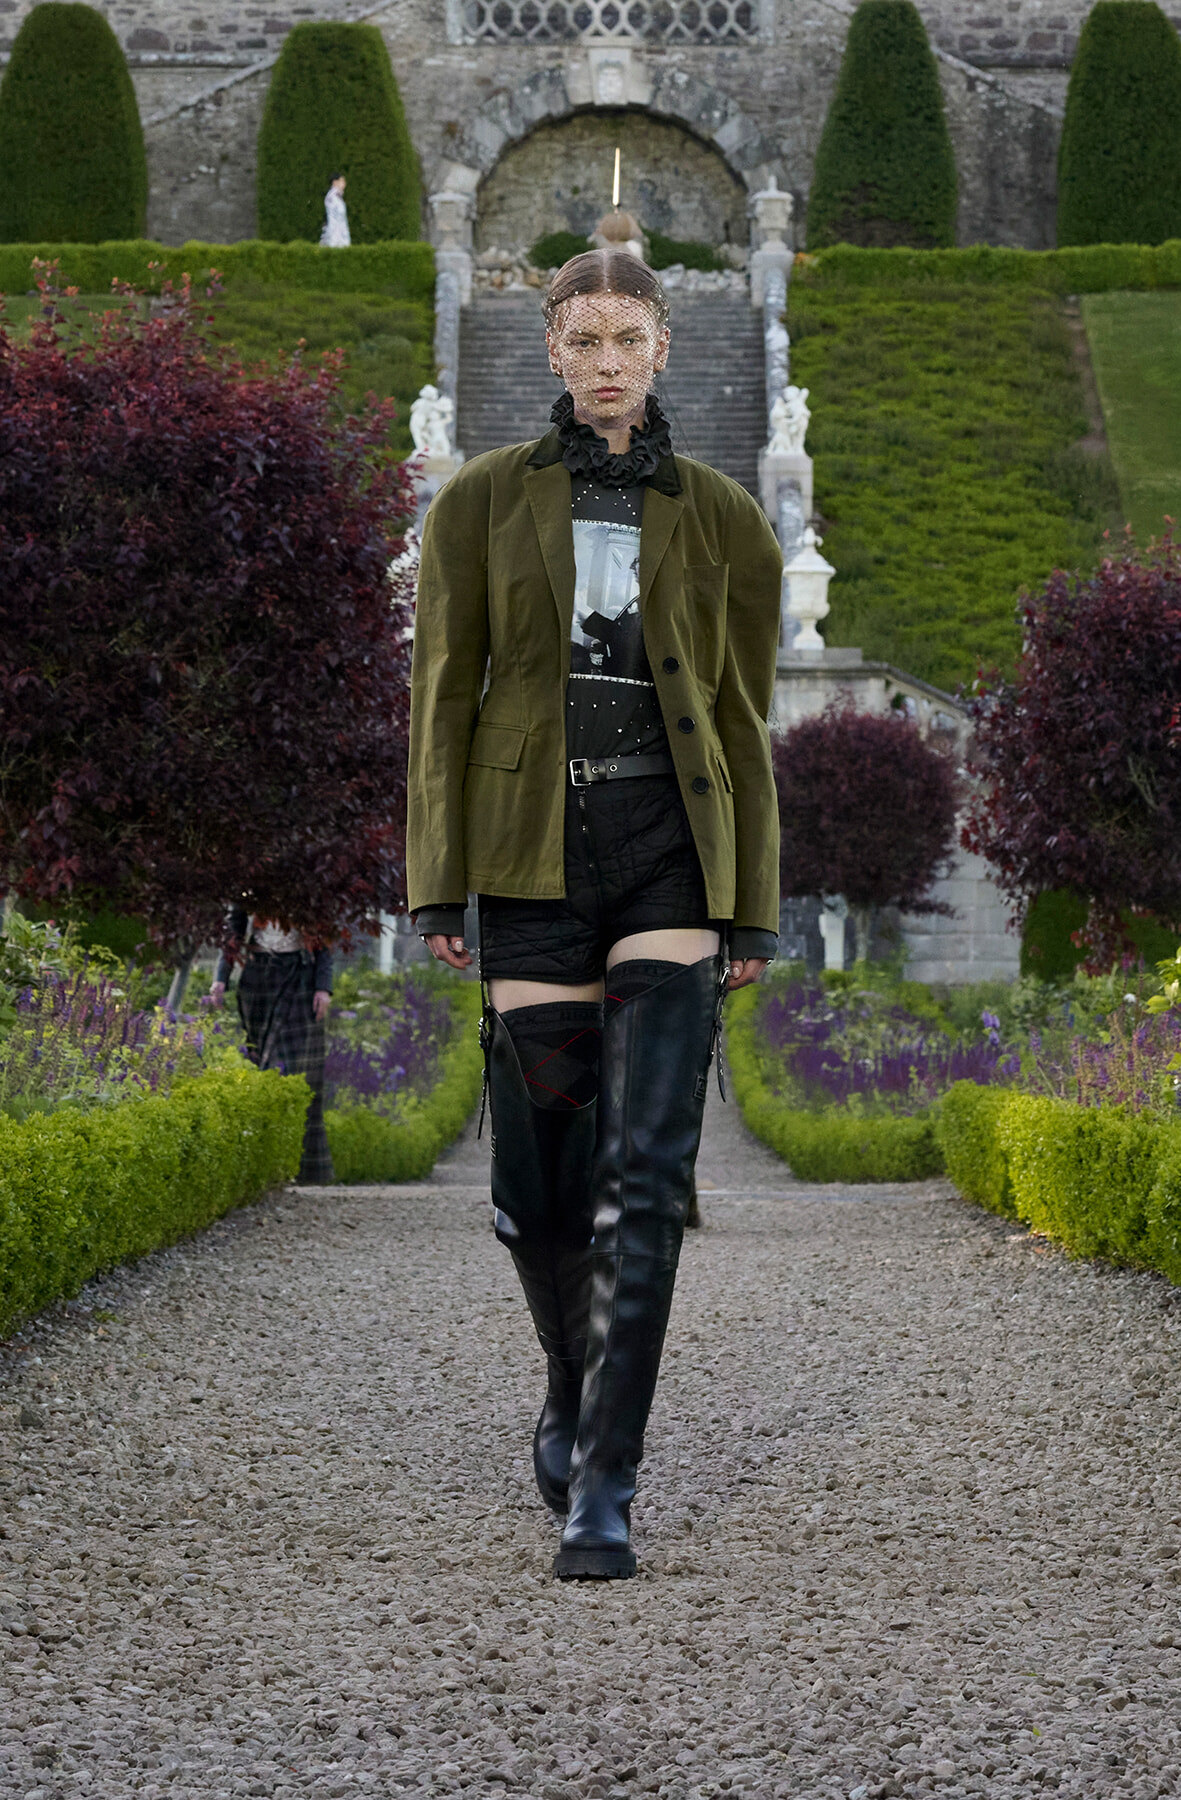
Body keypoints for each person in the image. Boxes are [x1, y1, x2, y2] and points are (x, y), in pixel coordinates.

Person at [406, 248, 782, 1580]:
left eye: (629, 338)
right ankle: (568, 1387)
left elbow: (742, 715)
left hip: (667, 857)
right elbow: (442, 699)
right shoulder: (478, 505)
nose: (608, 361)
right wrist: (434, 881)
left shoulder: (730, 516)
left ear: (664, 346)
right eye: (585, 341)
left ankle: (607, 1485)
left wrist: (751, 906)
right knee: (541, 1185)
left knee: (642, 1180)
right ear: (551, 354)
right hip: (528, 856)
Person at [211, 913, 334, 1185]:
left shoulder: (312, 880)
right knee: (261, 1069)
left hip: (299, 975)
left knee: (292, 1072)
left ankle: (304, 1169)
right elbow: (234, 931)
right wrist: (221, 978)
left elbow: (324, 939)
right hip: (257, 978)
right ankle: (261, 1167)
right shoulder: (251, 881)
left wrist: (323, 987)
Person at [319, 174, 350, 248]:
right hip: (335, 237)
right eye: (342, 181)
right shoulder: (332, 197)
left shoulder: (338, 197)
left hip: (340, 235)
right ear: (335, 182)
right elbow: (333, 220)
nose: (344, 183)